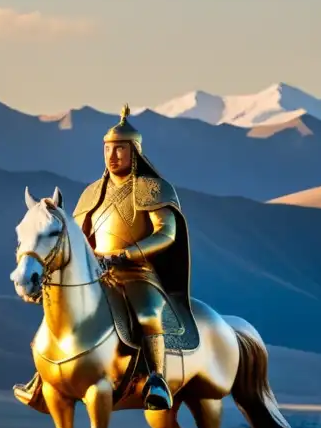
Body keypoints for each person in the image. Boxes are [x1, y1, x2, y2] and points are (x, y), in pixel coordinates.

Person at [14, 104, 194, 412]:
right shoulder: (91, 194)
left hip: (138, 273)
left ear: (134, 151)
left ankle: (157, 381)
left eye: (120, 149)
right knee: (60, 313)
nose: (112, 156)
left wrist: (128, 253)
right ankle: (43, 378)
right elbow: (73, 239)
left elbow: (167, 233)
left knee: (149, 313)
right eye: (108, 149)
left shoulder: (153, 188)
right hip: (97, 273)